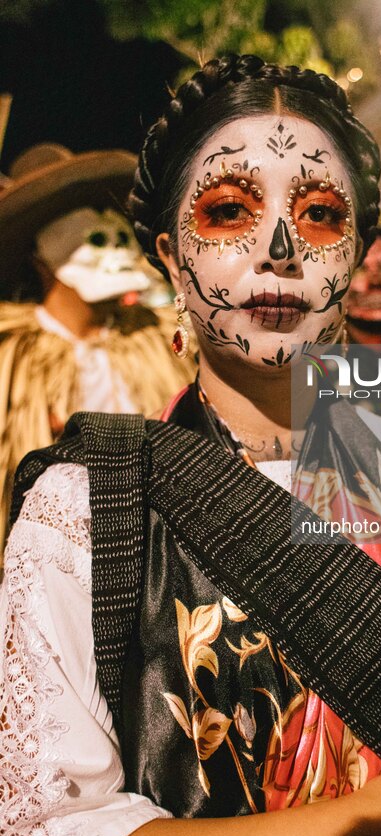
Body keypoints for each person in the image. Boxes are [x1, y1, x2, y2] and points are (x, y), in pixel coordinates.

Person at [2, 55, 381, 836]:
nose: (277, 250)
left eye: (316, 215)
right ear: (171, 256)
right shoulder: (84, 509)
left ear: (354, 254)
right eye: (230, 209)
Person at [0, 143, 196, 557]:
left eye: (120, 236)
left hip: (164, 558)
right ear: (42, 258)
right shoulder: (11, 360)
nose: (118, 252)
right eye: (94, 238)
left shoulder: (161, 338)